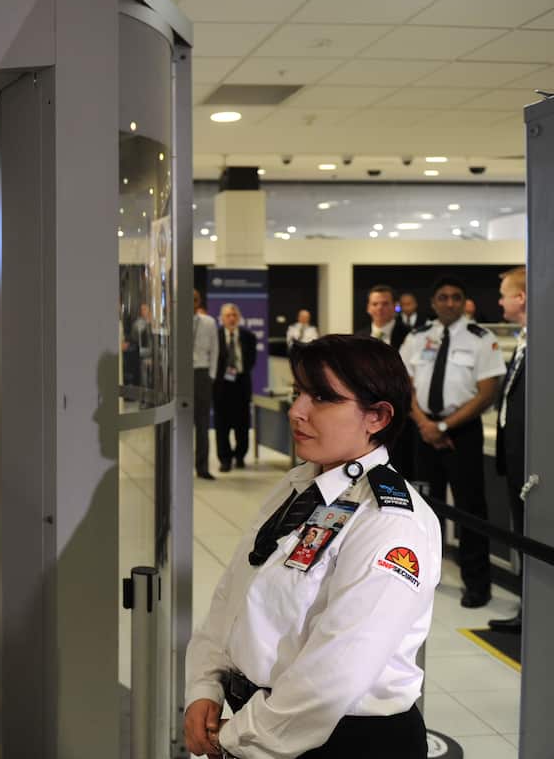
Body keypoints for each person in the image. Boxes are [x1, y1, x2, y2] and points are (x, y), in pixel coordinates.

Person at [185, 335, 440, 759]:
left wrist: (238, 737)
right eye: (298, 392)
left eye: (322, 397)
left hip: (343, 742)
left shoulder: (390, 521)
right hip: (266, 726)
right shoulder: (302, 484)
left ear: (376, 416)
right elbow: (234, 593)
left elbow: (337, 670)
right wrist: (205, 684)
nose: (297, 411)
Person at [400, 277, 504, 608]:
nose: (449, 303)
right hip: (424, 430)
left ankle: (477, 584)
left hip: (462, 433)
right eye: (442, 297)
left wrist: (444, 425)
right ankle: (425, 576)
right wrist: (426, 424)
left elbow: (488, 393)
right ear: (433, 303)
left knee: (471, 509)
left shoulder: (480, 338)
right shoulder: (418, 338)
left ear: (463, 302)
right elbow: (406, 386)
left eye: (456, 297)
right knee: (424, 509)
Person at [489, 267, 527, 633]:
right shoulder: (524, 339)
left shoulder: (544, 342)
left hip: (531, 464)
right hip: (515, 459)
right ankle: (525, 607)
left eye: (504, 293)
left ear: (522, 298)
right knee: (521, 535)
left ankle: (531, 611)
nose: (499, 300)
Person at [367, 285, 414, 476]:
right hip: (367, 415)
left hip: (402, 418)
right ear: (368, 308)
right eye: (375, 304)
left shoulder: (411, 335)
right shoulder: (358, 337)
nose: (380, 308)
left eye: (385, 304)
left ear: (395, 306)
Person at [214, 304, 257, 472]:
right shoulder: (215, 336)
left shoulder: (248, 336)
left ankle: (240, 456)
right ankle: (225, 459)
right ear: (222, 318)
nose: (231, 318)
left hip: (241, 383)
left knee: (242, 423)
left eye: (234, 315)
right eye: (227, 315)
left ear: (238, 317)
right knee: (222, 424)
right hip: (221, 385)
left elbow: (251, 361)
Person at [193, 289, 219, 480]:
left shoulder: (209, 322)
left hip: (202, 374)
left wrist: (211, 375)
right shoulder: (175, 321)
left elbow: (215, 350)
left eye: (195, 299)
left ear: (199, 301)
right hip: (180, 376)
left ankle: (202, 467)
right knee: (180, 424)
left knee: (202, 424)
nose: (191, 302)